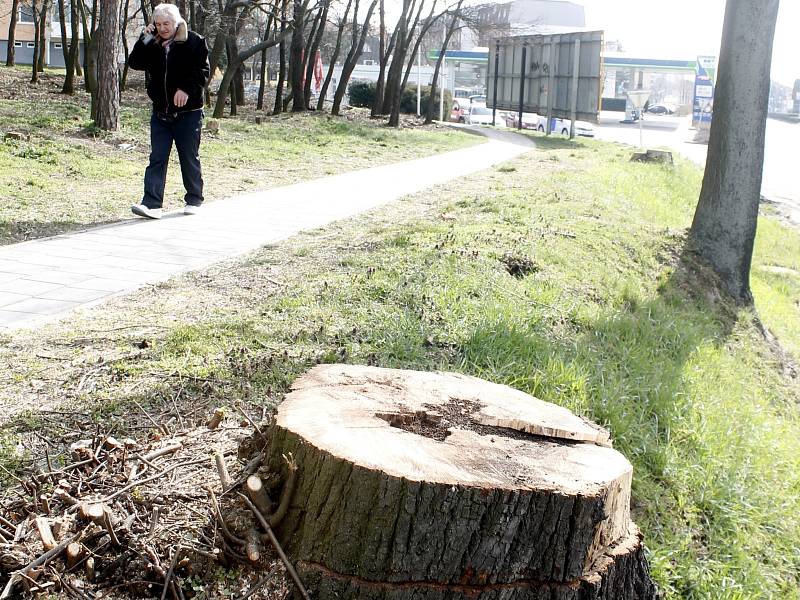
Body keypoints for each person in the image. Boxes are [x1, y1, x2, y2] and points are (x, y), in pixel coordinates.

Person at [128, 3, 210, 219]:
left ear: (177, 22)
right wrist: (144, 38)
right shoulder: (152, 41)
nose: (163, 28)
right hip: (160, 111)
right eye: (158, 24)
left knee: (188, 156)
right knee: (157, 157)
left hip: (189, 112)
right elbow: (134, 63)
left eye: (167, 24)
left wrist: (186, 90)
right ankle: (152, 204)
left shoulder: (194, 41)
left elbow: (202, 72)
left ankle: (194, 198)